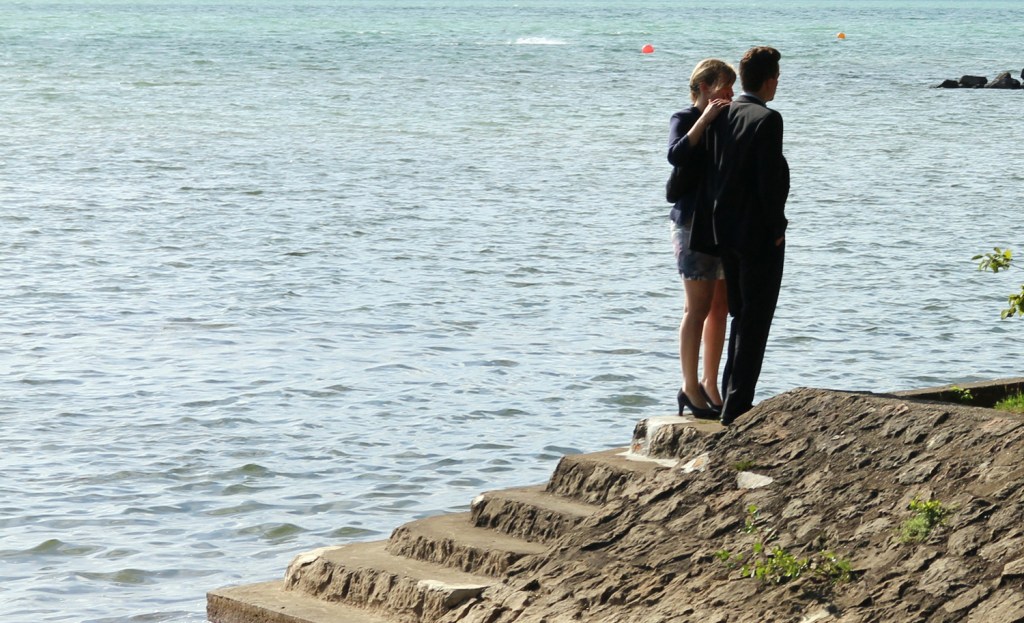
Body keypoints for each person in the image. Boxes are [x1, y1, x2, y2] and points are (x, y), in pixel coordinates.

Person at [703, 46, 789, 425]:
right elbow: (768, 182)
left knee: (739, 314)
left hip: (725, 230)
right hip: (757, 234)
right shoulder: (767, 119)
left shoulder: (723, 114)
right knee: (756, 319)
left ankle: (729, 398)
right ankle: (738, 405)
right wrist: (777, 228)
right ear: (771, 80)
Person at [666, 59, 735, 420]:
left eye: (732, 90)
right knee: (697, 307)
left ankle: (711, 384)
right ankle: (689, 386)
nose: (730, 95)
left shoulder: (729, 119)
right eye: (725, 88)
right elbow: (675, 154)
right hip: (692, 221)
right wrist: (705, 119)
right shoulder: (684, 117)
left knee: (720, 307)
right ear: (705, 88)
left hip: (721, 222)